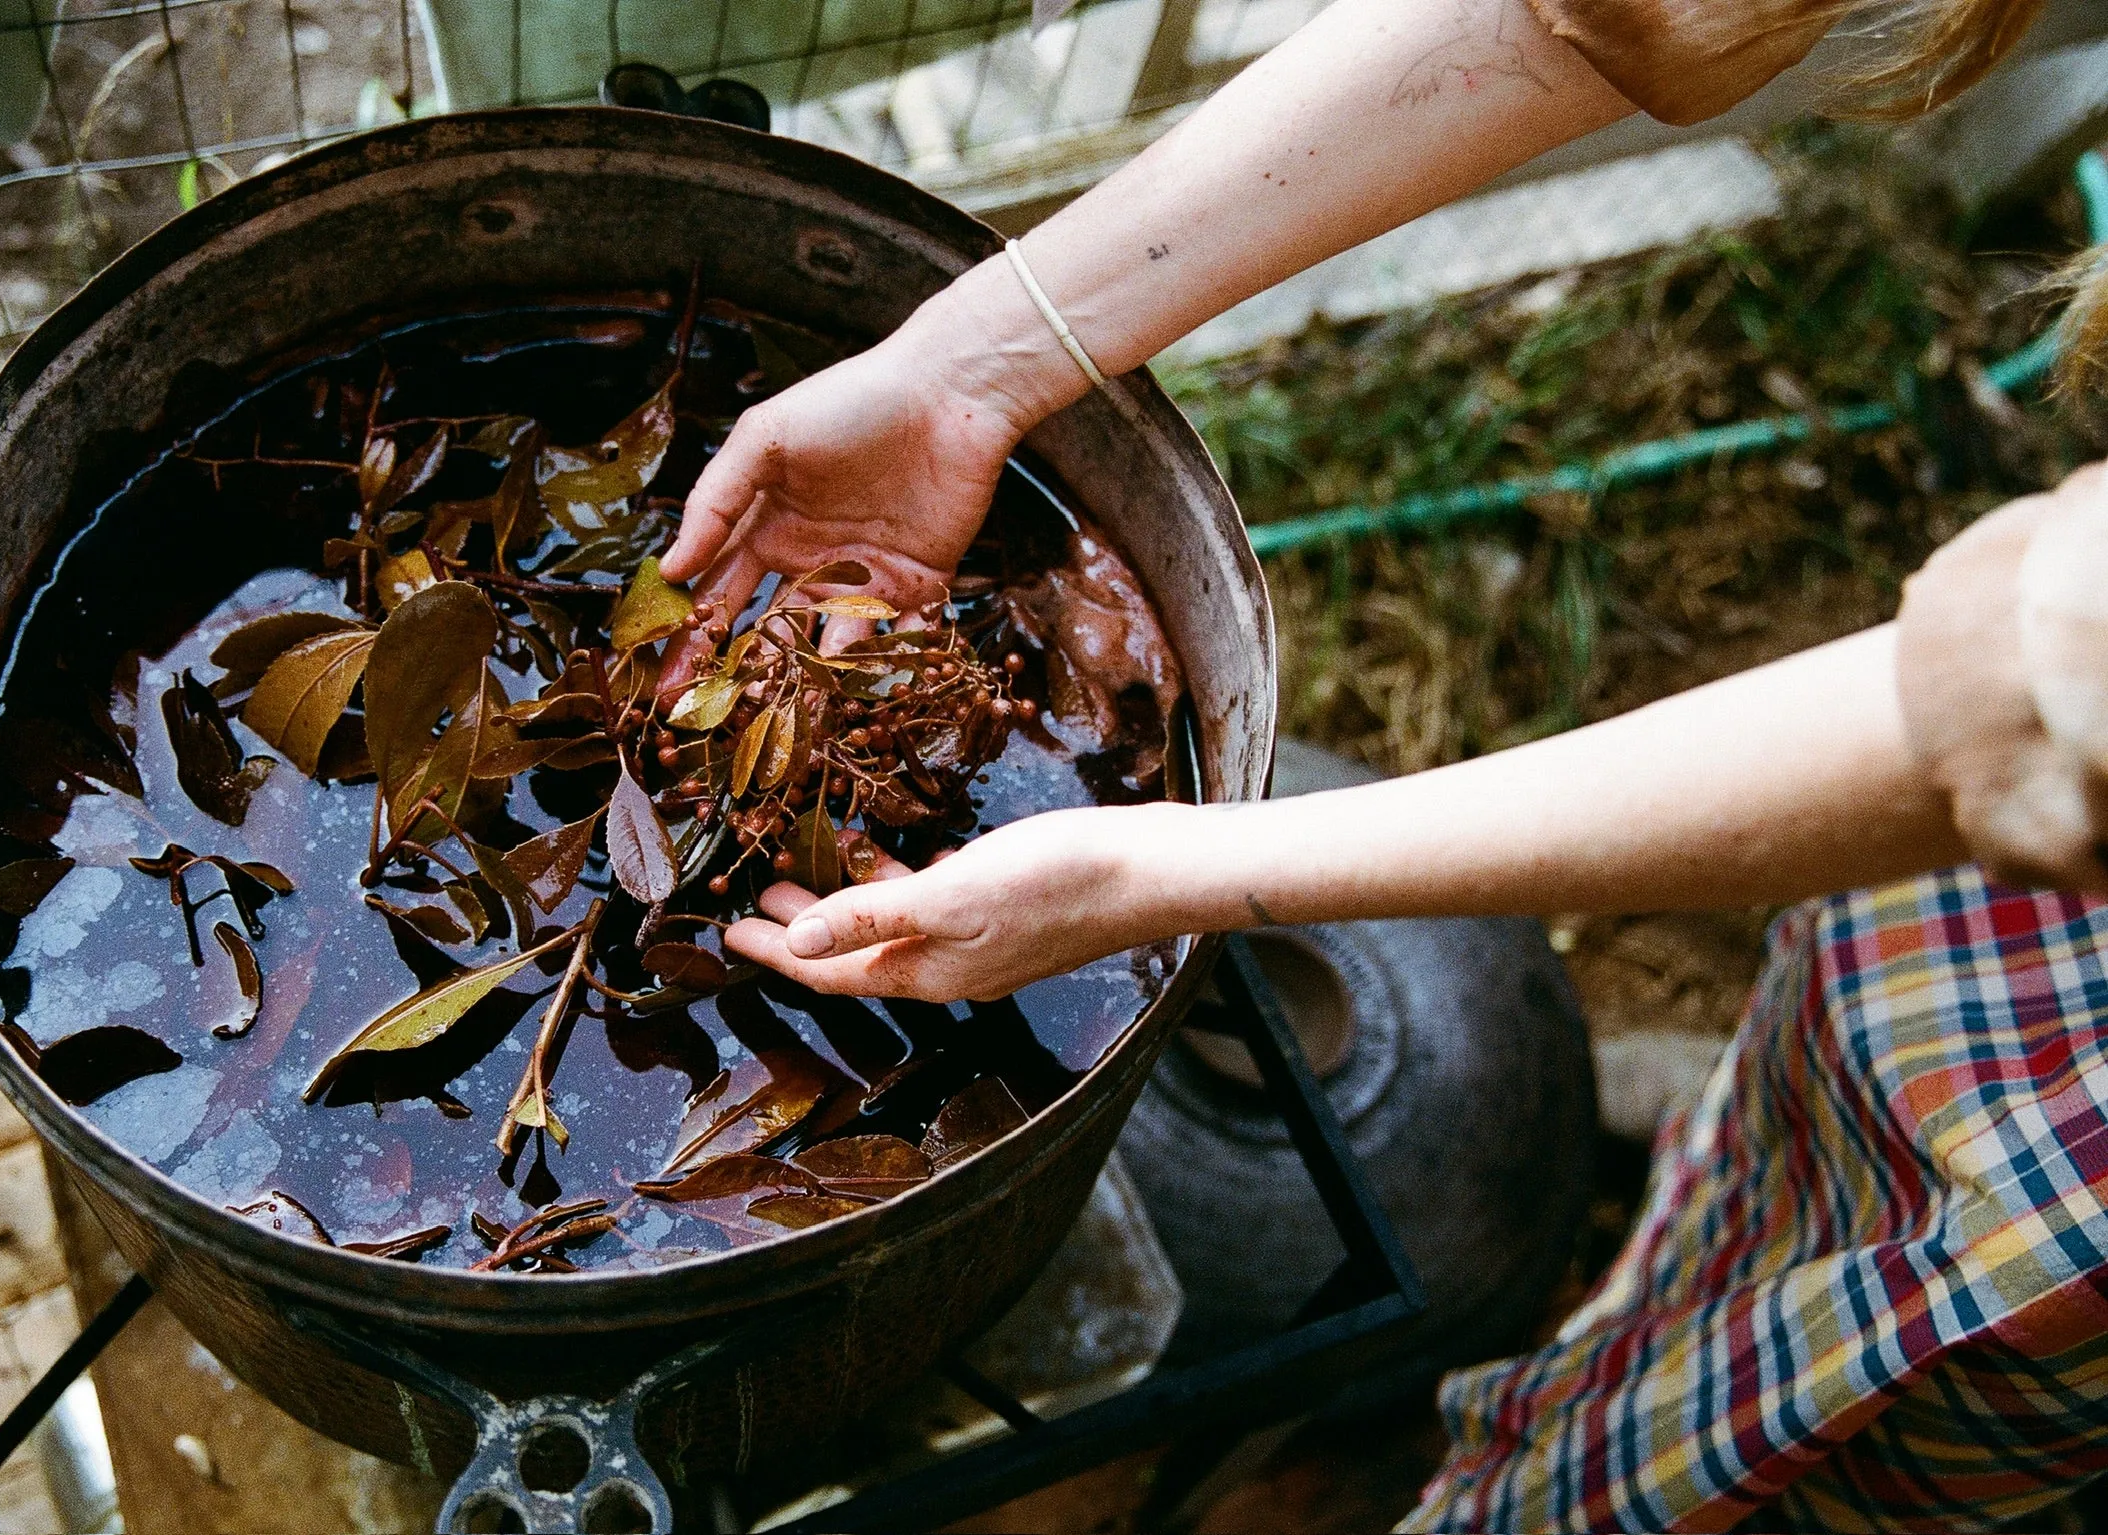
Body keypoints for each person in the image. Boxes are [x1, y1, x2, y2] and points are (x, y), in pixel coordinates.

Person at [660, 0, 2108, 1526]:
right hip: (1993, 815)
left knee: (1792, 1434)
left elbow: (2015, 709)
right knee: (1836, 1064)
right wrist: (967, 367)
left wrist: (1166, 871)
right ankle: (1716, 1199)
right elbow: (1613, 13)